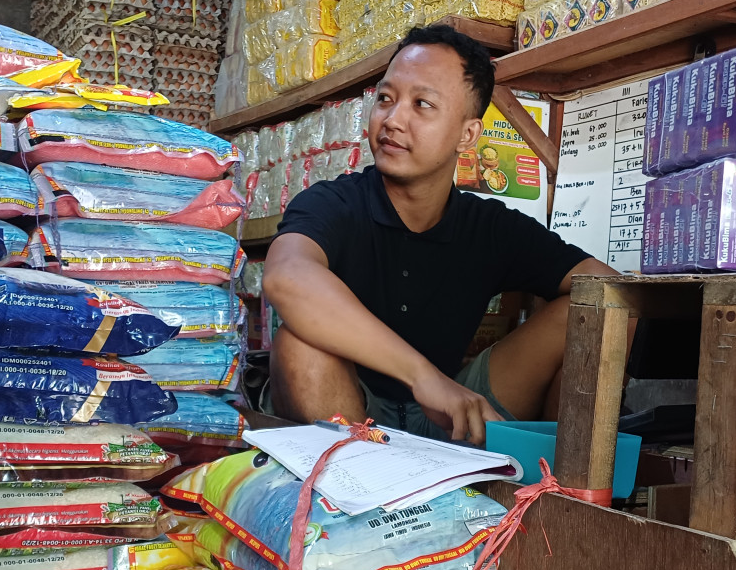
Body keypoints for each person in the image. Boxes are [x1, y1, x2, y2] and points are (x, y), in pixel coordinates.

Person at [262, 24, 616, 444]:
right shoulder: (333, 203)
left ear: (468, 135)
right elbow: (286, 276)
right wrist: (423, 377)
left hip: (451, 417)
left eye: (422, 104)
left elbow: (608, 288)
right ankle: (358, 495)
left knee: (600, 308)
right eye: (385, 100)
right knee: (299, 344)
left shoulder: (488, 226)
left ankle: (563, 484)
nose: (393, 120)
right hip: (352, 413)